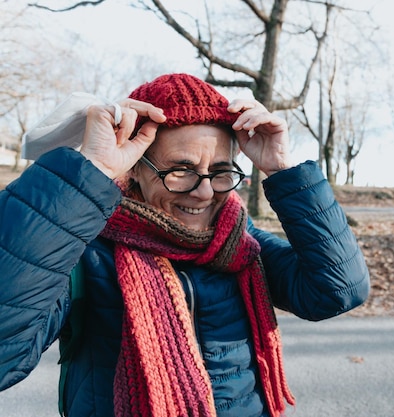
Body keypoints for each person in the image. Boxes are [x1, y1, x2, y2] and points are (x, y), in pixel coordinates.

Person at [0, 73, 370, 417]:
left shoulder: (239, 242)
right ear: (136, 168)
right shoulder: (82, 251)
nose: (205, 191)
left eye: (221, 172)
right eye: (181, 170)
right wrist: (87, 173)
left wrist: (283, 171)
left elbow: (336, 291)